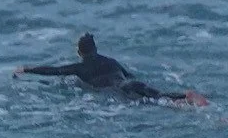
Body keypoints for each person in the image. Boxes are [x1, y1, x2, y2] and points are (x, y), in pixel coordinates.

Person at [14, 34, 206, 105]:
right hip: (131, 82)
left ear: (79, 52)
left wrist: (27, 69)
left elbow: (54, 71)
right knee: (157, 94)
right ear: (96, 49)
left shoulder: (79, 68)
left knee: (154, 103)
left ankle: (185, 103)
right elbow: (130, 75)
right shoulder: (111, 61)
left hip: (120, 90)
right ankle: (185, 96)